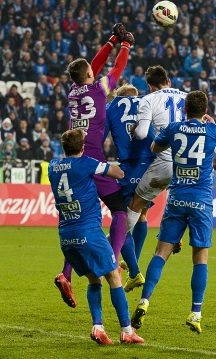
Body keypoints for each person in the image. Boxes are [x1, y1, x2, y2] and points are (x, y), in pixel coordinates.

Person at [130, 91, 216, 334]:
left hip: (176, 198)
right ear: (205, 109)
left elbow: (155, 146)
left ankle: (144, 301)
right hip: (201, 201)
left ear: (185, 110)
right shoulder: (211, 129)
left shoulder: (175, 127)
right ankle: (195, 313)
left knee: (160, 255)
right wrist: (213, 126)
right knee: (200, 259)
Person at [53, 23, 135, 308]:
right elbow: (116, 71)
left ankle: (66, 274)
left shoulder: (73, 91)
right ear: (89, 75)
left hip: (72, 158)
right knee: (119, 210)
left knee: (81, 221)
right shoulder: (100, 90)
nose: (95, 70)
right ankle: (112, 258)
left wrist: (113, 40)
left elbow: (93, 67)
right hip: (93, 160)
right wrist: (125, 46)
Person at [48, 129, 144, 345]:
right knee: (114, 277)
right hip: (89, 232)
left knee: (94, 279)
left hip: (66, 235)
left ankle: (98, 326)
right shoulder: (87, 163)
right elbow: (118, 174)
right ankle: (127, 331)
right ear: (83, 147)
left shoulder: (53, 167)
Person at [126, 65, 216, 238]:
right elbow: (204, 130)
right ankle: (175, 239)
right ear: (169, 82)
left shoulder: (148, 99)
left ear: (149, 86)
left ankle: (111, 245)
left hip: (165, 163)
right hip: (190, 165)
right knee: (180, 204)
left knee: (136, 205)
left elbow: (141, 134)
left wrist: (135, 129)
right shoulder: (188, 98)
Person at [104, 84, 152, 293]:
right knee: (141, 215)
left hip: (129, 168)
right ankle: (134, 262)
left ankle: (134, 271)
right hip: (150, 167)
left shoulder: (112, 106)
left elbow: (99, 136)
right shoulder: (147, 103)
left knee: (121, 217)